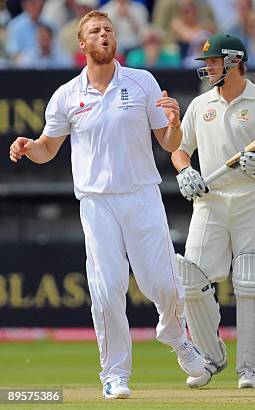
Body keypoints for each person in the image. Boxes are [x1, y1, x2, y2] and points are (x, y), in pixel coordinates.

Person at [8, 10, 206, 400]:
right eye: (96, 31)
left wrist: (175, 124)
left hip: (142, 196)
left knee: (164, 284)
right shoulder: (67, 95)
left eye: (109, 30)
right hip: (97, 203)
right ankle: (114, 373)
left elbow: (167, 143)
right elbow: (49, 148)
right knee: (107, 287)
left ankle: (173, 332)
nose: (104, 34)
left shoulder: (142, 80)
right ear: (82, 44)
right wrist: (30, 148)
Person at [170, 33, 255, 389]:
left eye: (213, 61)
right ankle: (210, 358)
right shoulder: (201, 105)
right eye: (206, 62)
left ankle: (250, 368)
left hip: (253, 197)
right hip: (210, 200)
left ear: (233, 61)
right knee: (190, 279)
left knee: (252, 279)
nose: (208, 67)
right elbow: (179, 149)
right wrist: (185, 171)